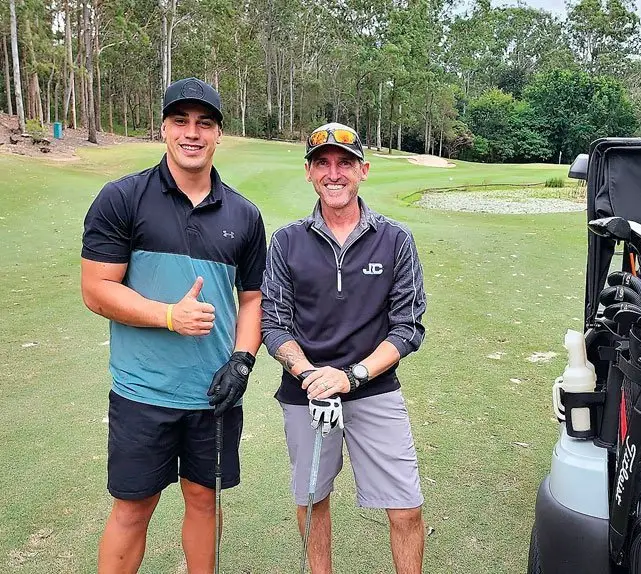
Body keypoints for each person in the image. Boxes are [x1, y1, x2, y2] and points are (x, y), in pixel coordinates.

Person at [80, 77, 267, 574]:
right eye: (180, 121)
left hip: (213, 395)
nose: (192, 133)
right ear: (163, 127)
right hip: (143, 391)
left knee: (204, 500)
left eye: (204, 123)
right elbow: (96, 289)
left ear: (218, 133)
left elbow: (253, 301)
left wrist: (243, 361)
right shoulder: (122, 198)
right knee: (134, 506)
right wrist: (168, 315)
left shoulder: (245, 215)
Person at [261, 122, 427, 573]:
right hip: (306, 392)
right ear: (309, 174)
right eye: (323, 164)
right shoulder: (286, 241)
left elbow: (407, 326)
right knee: (313, 503)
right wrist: (310, 375)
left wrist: (352, 375)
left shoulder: (395, 239)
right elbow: (273, 324)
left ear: (363, 171)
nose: (334, 174)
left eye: (345, 164)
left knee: (407, 508)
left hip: (374, 388)